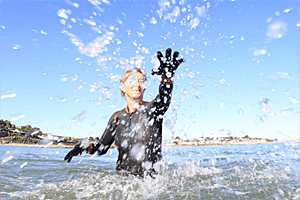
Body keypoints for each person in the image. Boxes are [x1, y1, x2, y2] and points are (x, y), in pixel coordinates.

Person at [64, 48, 185, 177]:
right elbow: (101, 148)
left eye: (141, 81)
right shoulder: (117, 117)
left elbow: (164, 98)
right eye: (133, 81)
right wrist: (84, 148)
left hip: (151, 183)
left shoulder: (153, 110)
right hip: (123, 182)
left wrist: (167, 77)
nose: (137, 85)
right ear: (123, 87)